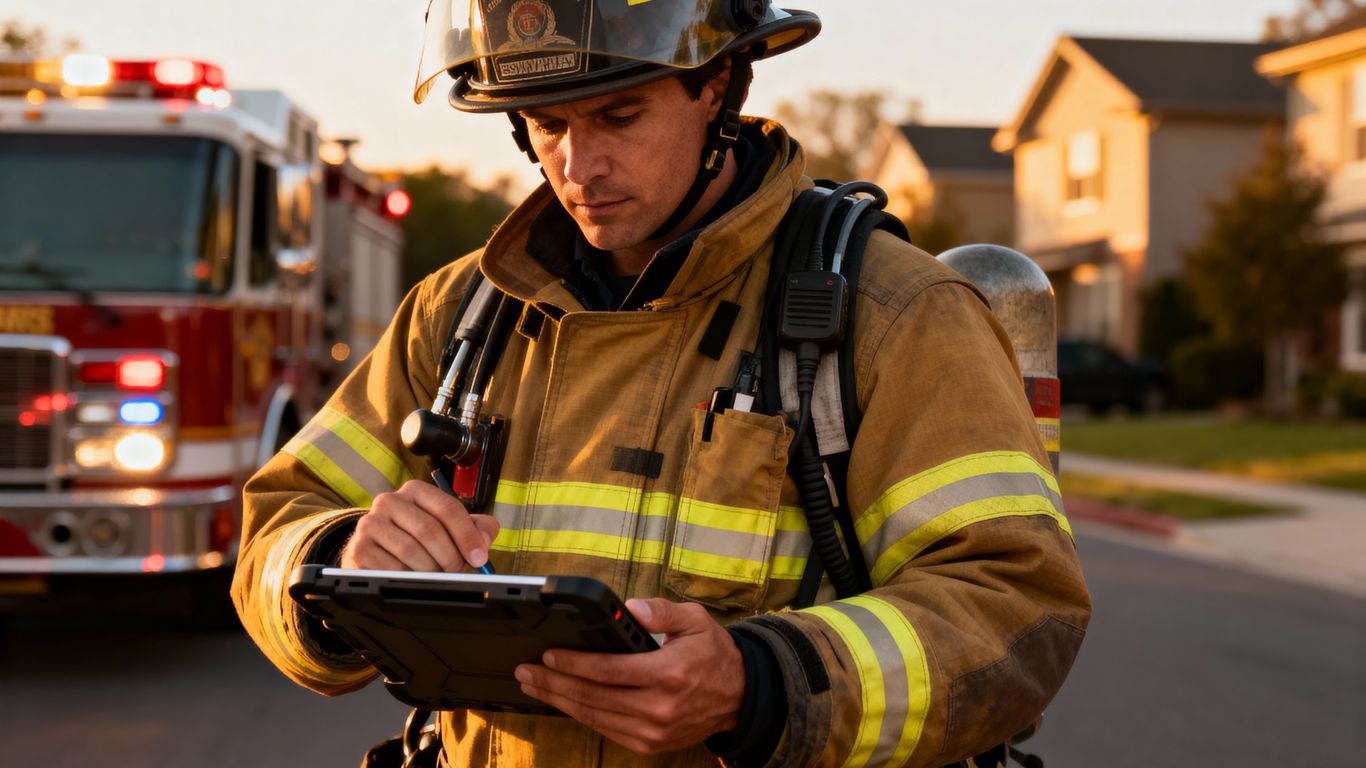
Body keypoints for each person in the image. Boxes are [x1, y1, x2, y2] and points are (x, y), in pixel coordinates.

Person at [231, 2, 1092, 766]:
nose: (578, 166)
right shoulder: (457, 315)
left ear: (715, 85)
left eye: (619, 114)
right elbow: (278, 523)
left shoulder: (894, 313)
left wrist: (761, 687)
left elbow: (1016, 609)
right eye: (544, 124)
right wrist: (338, 561)